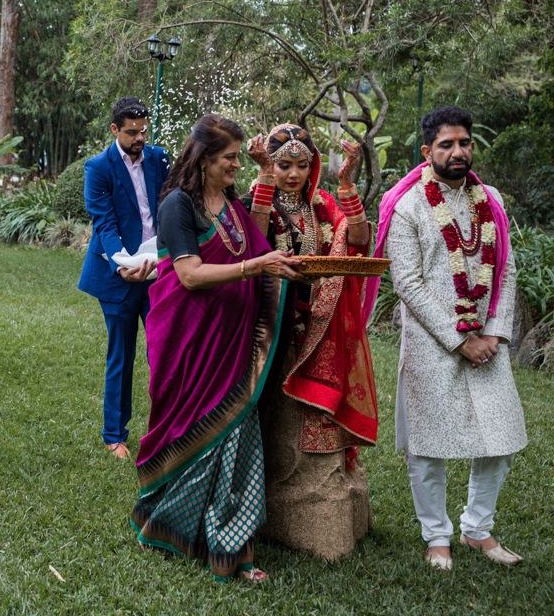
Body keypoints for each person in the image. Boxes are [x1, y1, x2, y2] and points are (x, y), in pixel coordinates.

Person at [131, 114, 303, 583]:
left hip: (231, 340)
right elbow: (188, 275)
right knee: (190, 425)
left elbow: (259, 242)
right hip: (190, 339)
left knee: (238, 433)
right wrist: (256, 266)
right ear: (205, 158)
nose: (235, 166)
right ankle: (167, 522)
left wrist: (267, 176)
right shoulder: (177, 206)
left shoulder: (228, 201)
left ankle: (233, 548)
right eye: (229, 158)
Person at [370, 106, 526, 570]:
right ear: (427, 151)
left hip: (489, 344)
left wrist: (494, 333)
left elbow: (507, 270)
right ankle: (436, 536)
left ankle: (478, 529)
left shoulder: (490, 198)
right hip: (431, 345)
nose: (458, 152)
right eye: (446, 145)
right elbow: (408, 284)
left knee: (500, 439)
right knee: (427, 447)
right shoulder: (408, 204)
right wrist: (460, 340)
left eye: (464, 143)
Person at [243, 125, 378, 560]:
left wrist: (348, 186)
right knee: (276, 419)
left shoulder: (319, 204)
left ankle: (321, 514)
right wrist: (265, 178)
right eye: (284, 165)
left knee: (317, 420)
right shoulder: (255, 198)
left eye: (303, 165)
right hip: (273, 324)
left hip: (318, 325)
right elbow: (255, 244)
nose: (294, 174)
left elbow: (357, 243)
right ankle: (269, 509)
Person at [78, 97, 171, 458]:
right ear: (115, 129)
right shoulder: (97, 167)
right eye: (132, 132)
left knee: (163, 351)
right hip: (118, 274)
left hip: (158, 270)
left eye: (144, 131)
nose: (139, 138)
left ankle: (166, 427)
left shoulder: (159, 158)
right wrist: (123, 265)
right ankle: (114, 435)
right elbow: (104, 223)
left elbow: (170, 206)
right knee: (121, 354)